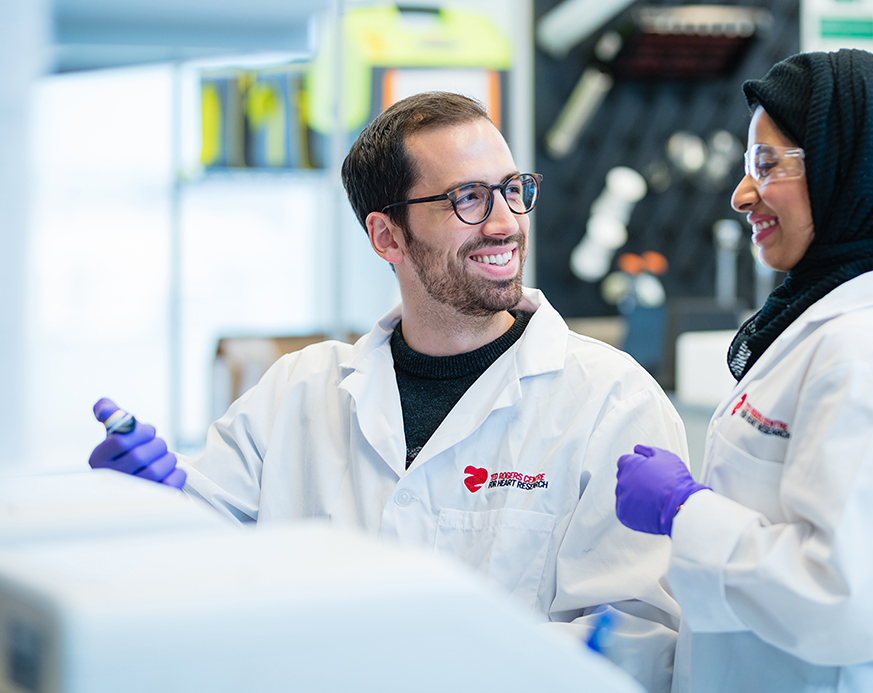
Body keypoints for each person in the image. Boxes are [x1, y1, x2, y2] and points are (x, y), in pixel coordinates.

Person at [89, 91, 689, 691]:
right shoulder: (297, 394)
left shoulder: (612, 400)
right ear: (387, 237)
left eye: (512, 189)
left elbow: (636, 641)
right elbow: (205, 573)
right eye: (468, 198)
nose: (506, 221)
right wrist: (151, 503)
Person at [614, 49, 873, 691]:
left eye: (767, 166)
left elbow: (845, 604)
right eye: (747, 165)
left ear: (856, 173)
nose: (742, 195)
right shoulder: (825, 320)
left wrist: (685, 512)